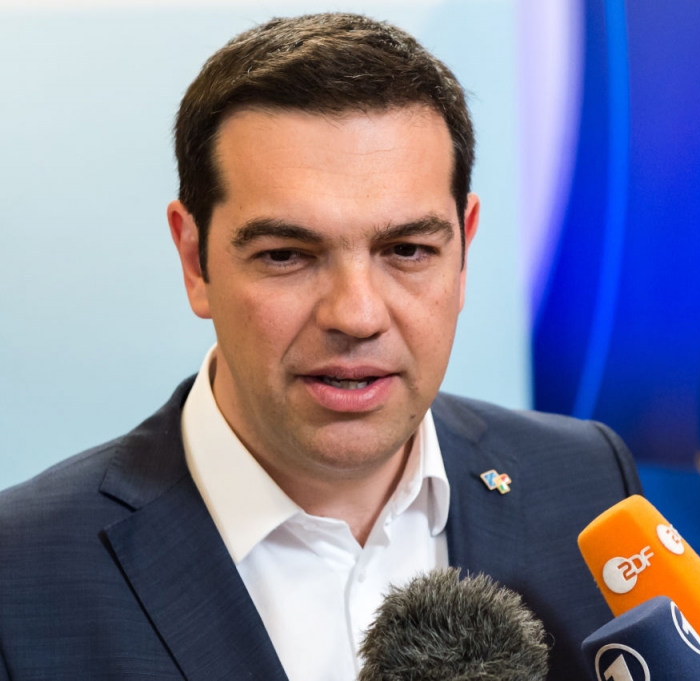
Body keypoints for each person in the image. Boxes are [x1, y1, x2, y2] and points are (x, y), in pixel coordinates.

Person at [0, 13, 641, 681]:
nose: (357, 315)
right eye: (286, 255)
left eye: (407, 250)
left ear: (463, 249)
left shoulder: (589, 483)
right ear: (195, 261)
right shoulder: (20, 574)